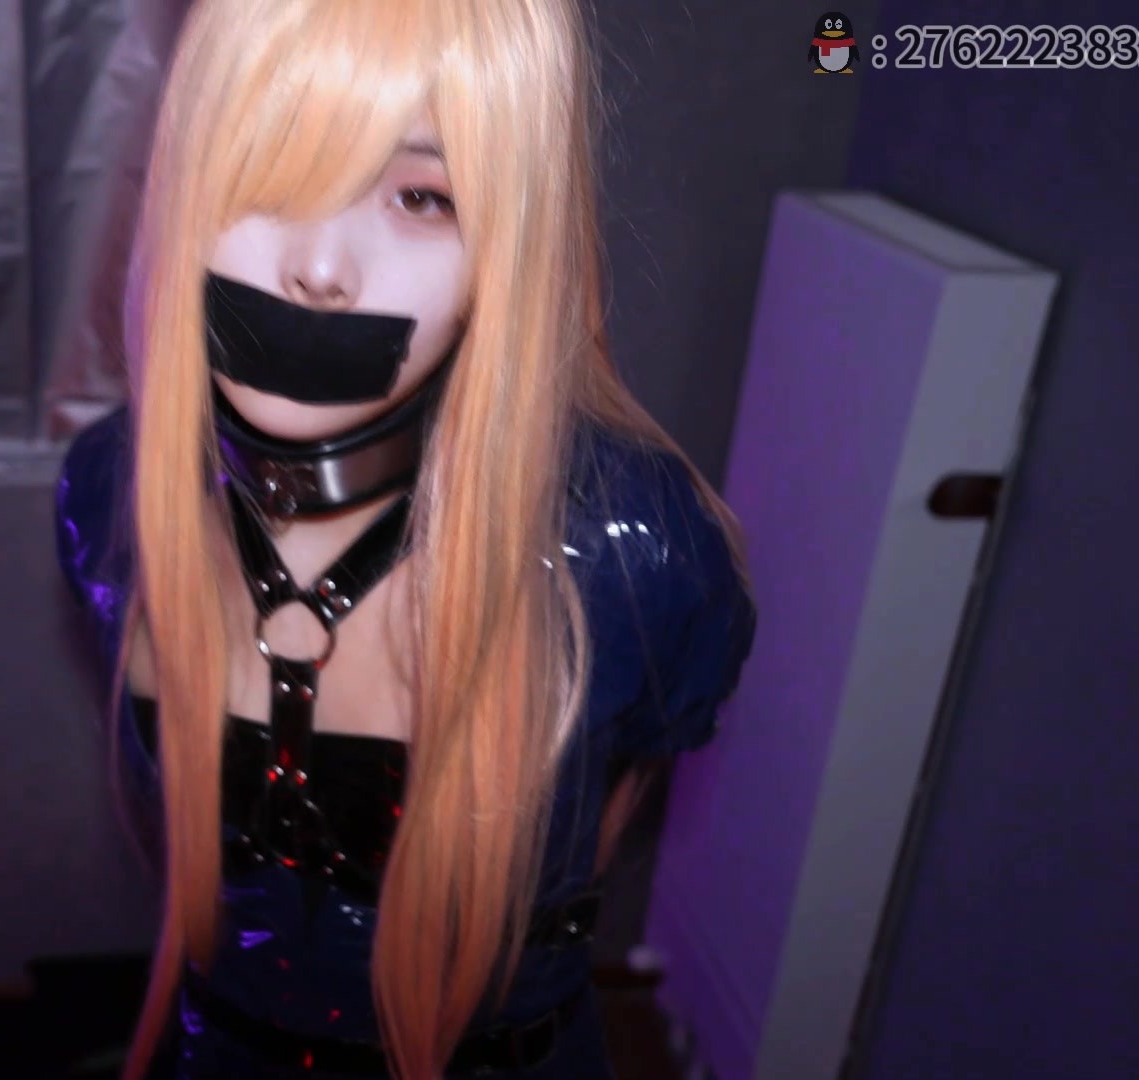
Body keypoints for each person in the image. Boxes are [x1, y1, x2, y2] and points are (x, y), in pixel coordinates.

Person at [54, 1, 757, 1076]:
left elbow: (621, 794)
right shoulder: (108, 495)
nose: (319, 268)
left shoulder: (635, 551)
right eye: (265, 166)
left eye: (422, 197)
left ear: (509, 246)